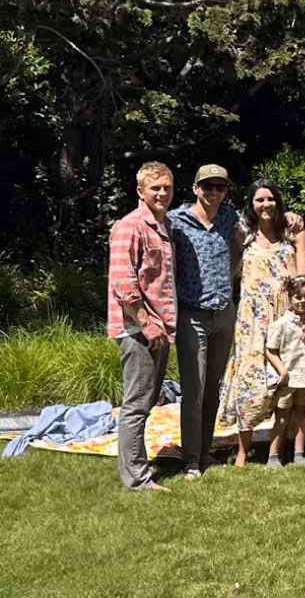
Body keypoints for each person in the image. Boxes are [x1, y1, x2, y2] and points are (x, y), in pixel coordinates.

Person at [219, 180, 305, 467]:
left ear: (278, 201)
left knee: (285, 384)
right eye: (259, 200)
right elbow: (229, 271)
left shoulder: (293, 232)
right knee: (249, 381)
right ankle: (243, 452)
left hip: (285, 317)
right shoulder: (242, 234)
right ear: (251, 204)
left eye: (270, 199)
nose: (266, 204)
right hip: (251, 321)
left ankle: (276, 450)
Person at [168, 164, 242, 480]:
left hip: (224, 312)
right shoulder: (176, 221)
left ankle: (205, 451)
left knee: (213, 388)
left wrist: (291, 218)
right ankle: (190, 460)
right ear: (196, 188)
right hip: (192, 314)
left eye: (220, 187)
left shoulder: (229, 218)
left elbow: (260, 228)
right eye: (208, 186)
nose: (214, 192)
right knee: (194, 389)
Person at [108, 161, 177, 492]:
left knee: (146, 402)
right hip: (139, 330)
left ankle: (137, 468)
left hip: (158, 329)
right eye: (155, 188)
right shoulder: (130, 227)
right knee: (136, 405)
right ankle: (136, 478)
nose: (162, 193)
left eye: (166, 187)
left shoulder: (163, 228)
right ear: (140, 191)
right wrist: (147, 325)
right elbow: (123, 284)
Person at [264, 275, 305, 469]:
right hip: (288, 380)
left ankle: (299, 454)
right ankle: (273, 456)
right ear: (290, 297)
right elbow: (270, 350)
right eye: (298, 297)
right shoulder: (281, 324)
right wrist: (282, 370)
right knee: (282, 418)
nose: (303, 302)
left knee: (302, 417)